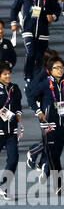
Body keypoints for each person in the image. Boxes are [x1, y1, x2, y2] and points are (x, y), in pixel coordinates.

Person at [0, 63, 23, 199]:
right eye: (4, 74)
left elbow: (18, 104)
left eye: (9, 73)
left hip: (11, 131)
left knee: (14, 158)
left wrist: (18, 113)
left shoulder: (15, 88)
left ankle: (4, 186)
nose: (8, 76)